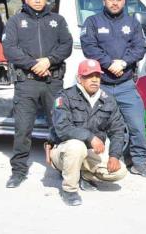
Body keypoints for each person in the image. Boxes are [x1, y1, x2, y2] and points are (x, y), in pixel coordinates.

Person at [3, 0, 73, 188]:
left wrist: (49, 61)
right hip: (27, 83)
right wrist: (34, 64)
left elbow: (66, 45)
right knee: (23, 129)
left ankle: (63, 168)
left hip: (53, 81)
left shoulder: (57, 20)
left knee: (59, 126)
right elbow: (9, 49)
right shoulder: (15, 21)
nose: (37, 0)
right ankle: (18, 171)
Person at [80, 0, 146, 178]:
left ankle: (138, 161)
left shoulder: (133, 23)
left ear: (124, 2)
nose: (114, 2)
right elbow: (89, 48)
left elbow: (140, 47)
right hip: (100, 85)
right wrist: (109, 63)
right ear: (104, 1)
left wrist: (124, 62)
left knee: (137, 124)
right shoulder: (93, 22)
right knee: (93, 125)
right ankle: (91, 163)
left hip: (126, 85)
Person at [49, 59, 127, 206]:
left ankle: (83, 174)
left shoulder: (108, 100)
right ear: (79, 78)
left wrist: (114, 156)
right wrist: (90, 137)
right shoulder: (64, 97)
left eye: (97, 76)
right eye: (89, 76)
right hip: (64, 151)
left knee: (120, 171)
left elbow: (117, 130)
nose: (94, 80)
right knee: (76, 146)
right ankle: (70, 190)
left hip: (90, 154)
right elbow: (62, 128)